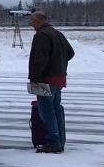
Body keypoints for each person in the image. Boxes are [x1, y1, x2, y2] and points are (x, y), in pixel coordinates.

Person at [28, 10, 75, 153]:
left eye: (32, 20)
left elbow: (39, 59)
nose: (31, 23)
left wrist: (35, 78)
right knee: (55, 109)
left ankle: (53, 142)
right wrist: (59, 63)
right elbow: (70, 53)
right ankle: (60, 140)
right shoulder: (57, 33)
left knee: (47, 111)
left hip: (46, 79)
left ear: (39, 21)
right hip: (59, 78)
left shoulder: (41, 35)